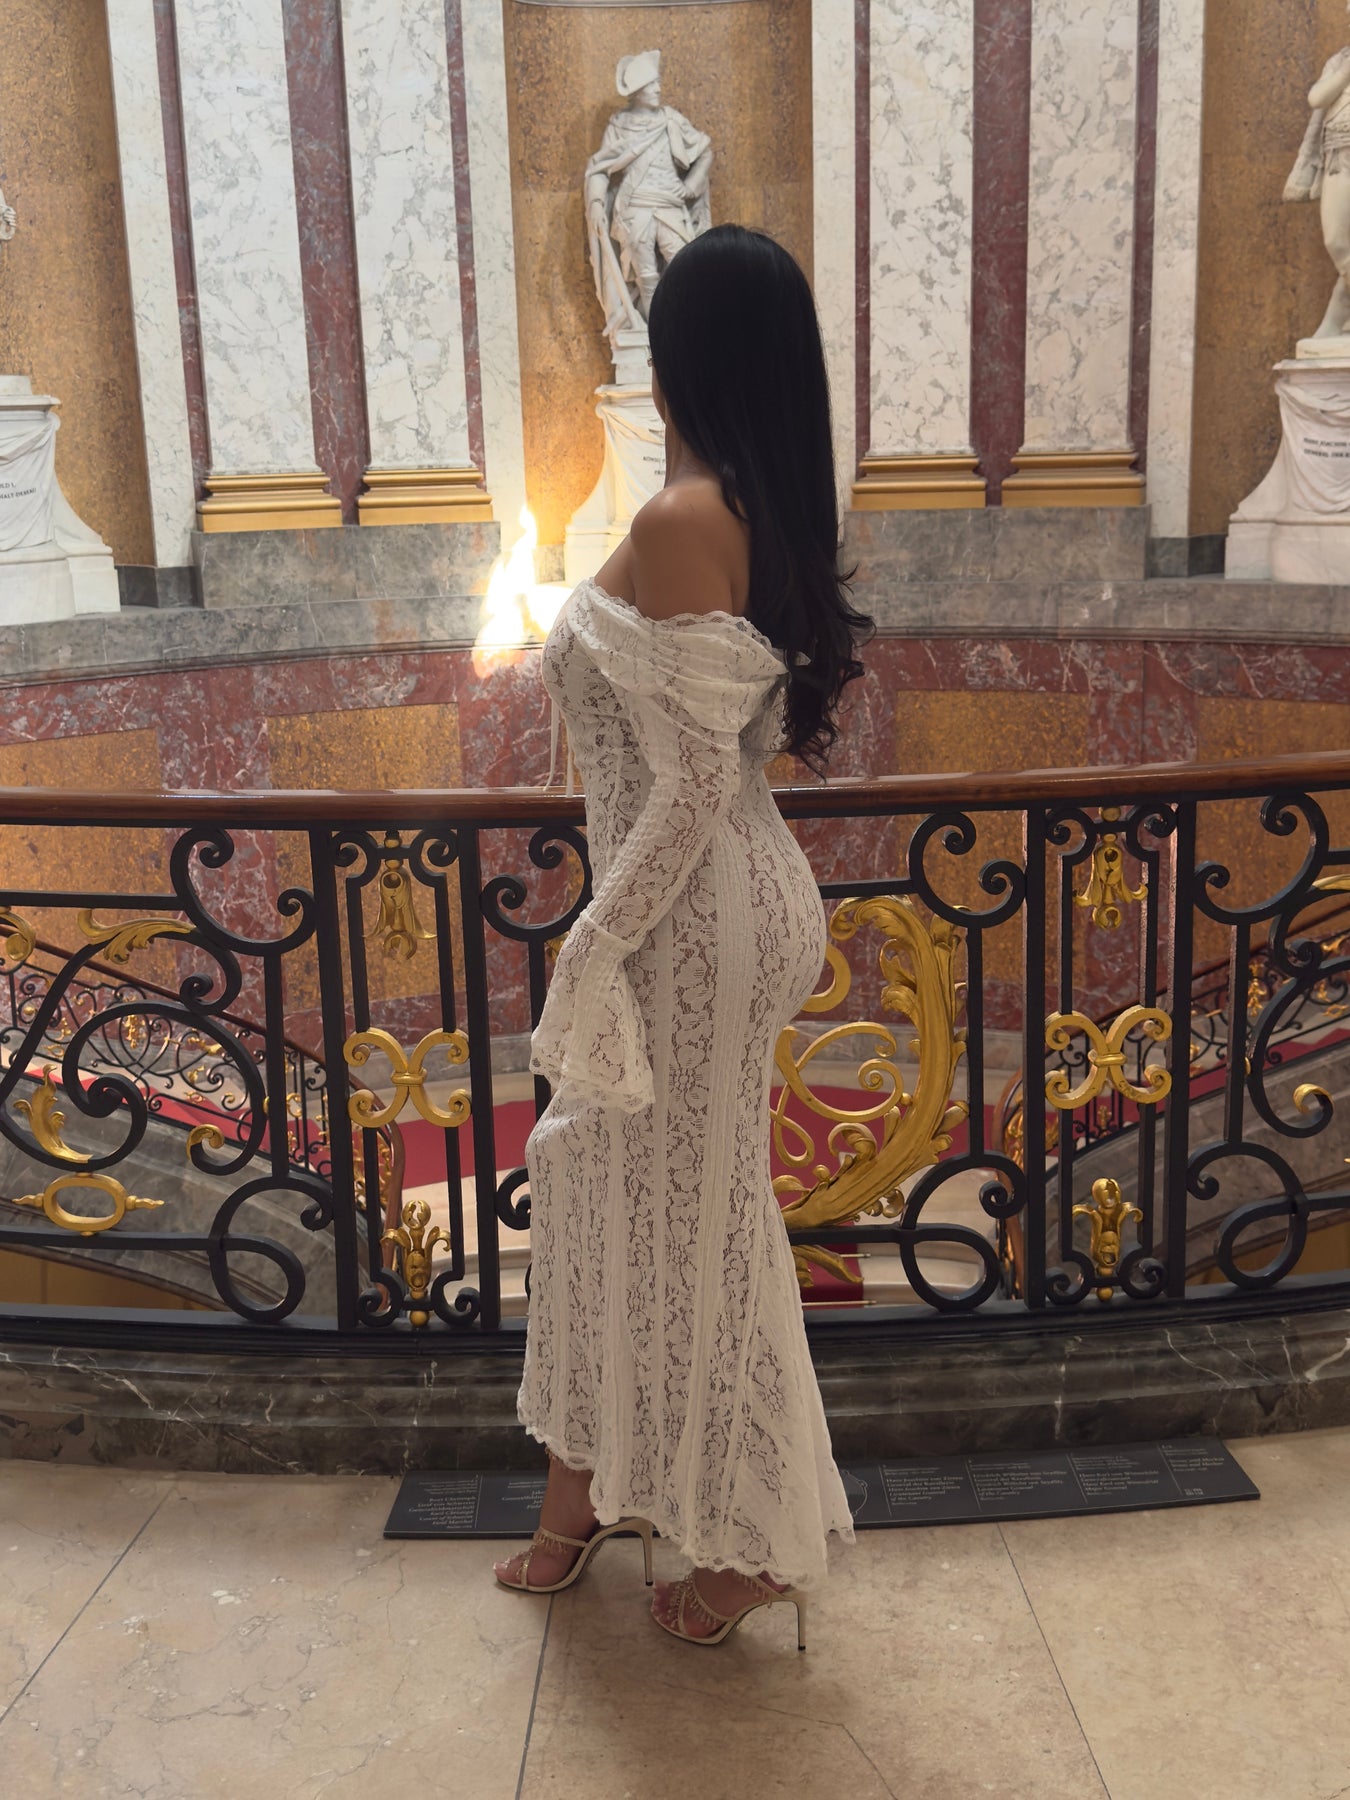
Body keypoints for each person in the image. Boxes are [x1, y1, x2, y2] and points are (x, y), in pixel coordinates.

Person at [493, 224, 872, 1648]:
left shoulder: (681, 518)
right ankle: (582, 1502)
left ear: (684, 363)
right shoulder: (735, 505)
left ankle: (752, 1541)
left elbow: (696, 784)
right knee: (611, 1205)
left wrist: (591, 943)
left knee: (694, 1223)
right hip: (710, 910)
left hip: (688, 923)